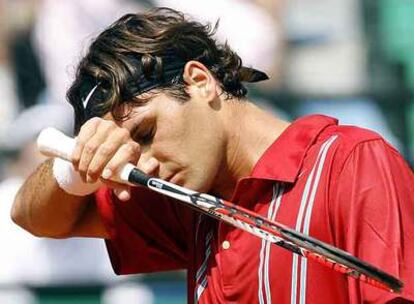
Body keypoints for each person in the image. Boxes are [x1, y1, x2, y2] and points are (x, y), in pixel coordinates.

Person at [11, 8, 414, 304]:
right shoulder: (184, 194)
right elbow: (34, 216)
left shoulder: (351, 162)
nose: (144, 162)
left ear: (200, 81)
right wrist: (80, 165)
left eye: (147, 133)